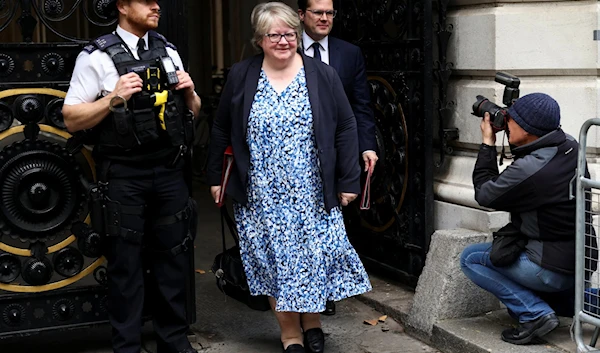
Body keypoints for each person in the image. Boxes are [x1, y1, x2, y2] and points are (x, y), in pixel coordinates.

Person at [206, 3, 372, 353]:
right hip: (260, 192)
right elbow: (221, 126)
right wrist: (216, 176)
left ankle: (312, 323)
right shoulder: (241, 74)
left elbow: (345, 125)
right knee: (272, 262)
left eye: (290, 34)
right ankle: (290, 334)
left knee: (313, 258)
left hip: (312, 189)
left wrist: (348, 181)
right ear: (260, 39)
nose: (283, 41)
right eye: (274, 35)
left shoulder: (322, 75)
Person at [62, 1, 201, 352]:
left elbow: (193, 112)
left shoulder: (167, 50)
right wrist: (114, 98)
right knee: (126, 267)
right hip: (124, 175)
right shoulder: (95, 56)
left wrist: (191, 93)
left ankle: (174, 342)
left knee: (173, 261)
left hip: (169, 171)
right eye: (146, 1)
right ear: (123, 6)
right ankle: (128, 347)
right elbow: (71, 118)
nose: (157, 6)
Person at [460, 93, 584, 345]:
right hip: (579, 264)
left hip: (548, 268)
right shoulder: (569, 145)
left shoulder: (532, 169)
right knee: (533, 299)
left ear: (528, 130)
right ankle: (591, 302)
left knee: (470, 259)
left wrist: (487, 143)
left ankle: (535, 314)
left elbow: (485, 194)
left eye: (511, 120)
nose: (506, 123)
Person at [297, 0, 378, 317]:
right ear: (301, 14)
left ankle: (324, 291)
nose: (324, 18)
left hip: (337, 152)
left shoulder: (349, 53)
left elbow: (361, 105)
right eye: (317, 12)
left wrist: (366, 146)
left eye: (329, 13)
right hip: (299, 152)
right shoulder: (286, 48)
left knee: (331, 222)